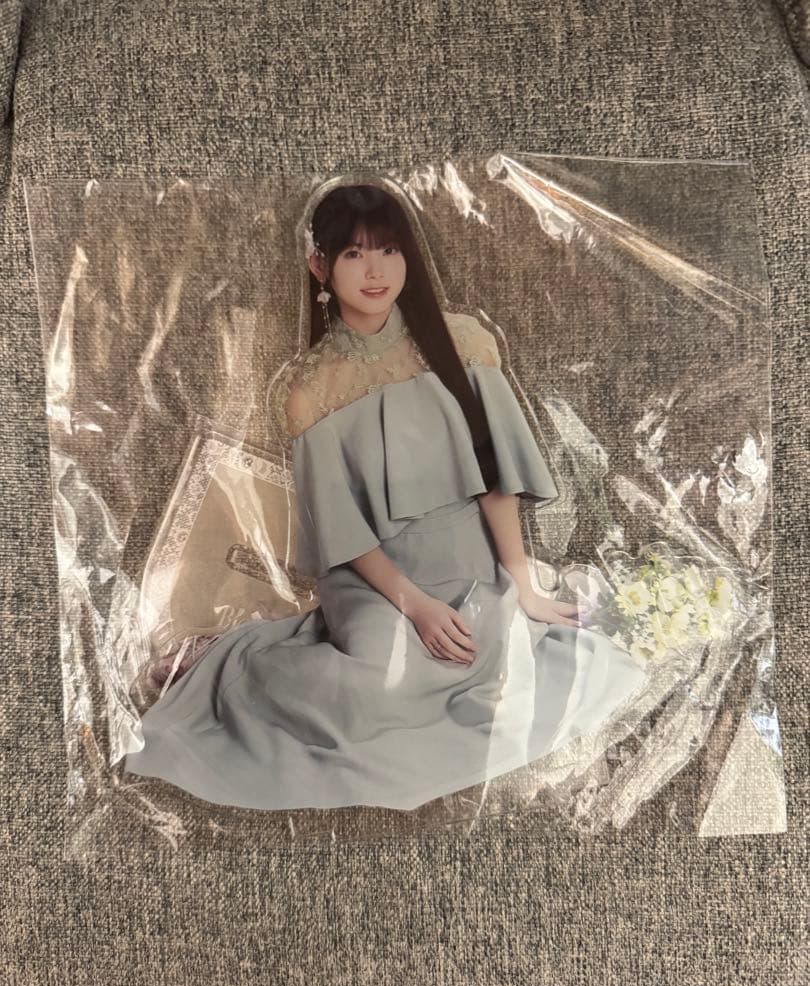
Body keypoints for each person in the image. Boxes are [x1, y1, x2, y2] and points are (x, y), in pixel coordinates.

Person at [123, 181, 646, 811]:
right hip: (375, 579)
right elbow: (342, 531)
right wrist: (416, 606)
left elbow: (496, 482)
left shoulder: (464, 344)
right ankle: (232, 662)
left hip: (468, 563)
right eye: (354, 254)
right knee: (374, 689)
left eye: (389, 250)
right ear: (320, 266)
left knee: (499, 677)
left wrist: (523, 585)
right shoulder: (310, 389)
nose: (376, 271)